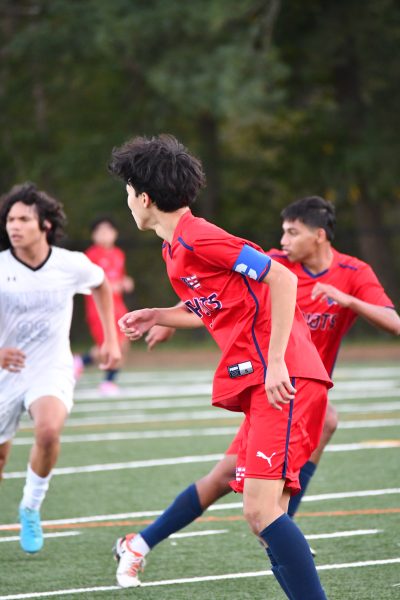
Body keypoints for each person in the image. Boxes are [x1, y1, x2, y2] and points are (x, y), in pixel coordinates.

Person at [125, 195, 400, 580]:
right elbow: (217, 289)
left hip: (289, 382)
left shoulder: (352, 272)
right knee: (242, 493)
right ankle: (142, 542)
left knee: (265, 506)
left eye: (293, 232)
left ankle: (281, 530)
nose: (283, 241)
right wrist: (166, 317)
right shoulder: (272, 261)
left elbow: (393, 323)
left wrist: (347, 300)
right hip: (274, 386)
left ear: (319, 236)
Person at [109, 134, 331, 599]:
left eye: (128, 193)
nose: (127, 202)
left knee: (261, 512)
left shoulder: (197, 235)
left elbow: (281, 277)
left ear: (144, 198)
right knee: (265, 516)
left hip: (280, 376)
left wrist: (275, 364)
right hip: (259, 379)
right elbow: (212, 305)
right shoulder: (175, 249)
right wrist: (160, 315)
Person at [0, 182, 121, 554]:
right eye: (10, 219)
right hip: (4, 374)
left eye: (23, 219)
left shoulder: (70, 265)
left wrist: (111, 340)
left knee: (49, 430)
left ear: (46, 225)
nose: (14, 226)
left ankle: (31, 507)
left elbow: (101, 286)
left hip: (50, 367)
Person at [74, 216, 134, 395]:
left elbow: (119, 278)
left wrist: (125, 282)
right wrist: (108, 285)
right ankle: (108, 382)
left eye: (108, 231)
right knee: (109, 345)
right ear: (93, 236)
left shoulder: (118, 254)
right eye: (100, 232)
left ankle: (80, 363)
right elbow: (86, 282)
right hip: (99, 308)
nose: (104, 235)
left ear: (115, 234)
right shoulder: (90, 256)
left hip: (118, 306)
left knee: (123, 343)